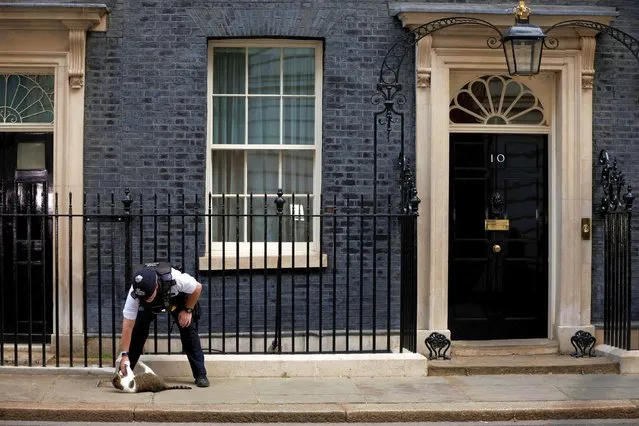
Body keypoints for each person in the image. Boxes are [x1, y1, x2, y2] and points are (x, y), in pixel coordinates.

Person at [116, 262, 209, 387]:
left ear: (155, 286)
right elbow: (127, 327)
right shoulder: (135, 293)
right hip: (148, 307)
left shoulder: (175, 278)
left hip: (175, 298)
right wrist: (124, 355)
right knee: (137, 331)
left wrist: (188, 310)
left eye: (149, 296)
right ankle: (126, 371)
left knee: (188, 330)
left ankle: (200, 374)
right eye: (143, 297)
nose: (146, 298)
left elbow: (197, 288)